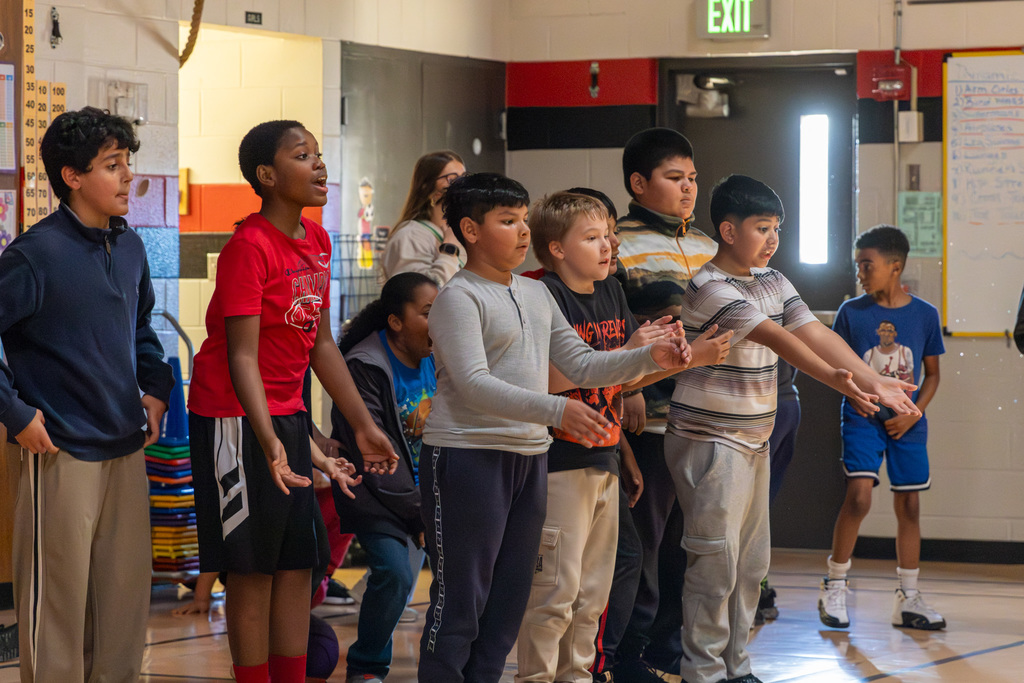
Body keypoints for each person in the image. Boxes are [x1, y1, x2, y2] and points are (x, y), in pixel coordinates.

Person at [417, 172, 693, 683]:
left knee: (509, 601)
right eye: (507, 221)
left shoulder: (534, 294)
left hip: (529, 458)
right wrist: (558, 411)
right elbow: (474, 384)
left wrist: (645, 356)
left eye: (524, 220)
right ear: (470, 231)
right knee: (462, 601)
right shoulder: (459, 297)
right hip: (468, 458)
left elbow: (585, 364)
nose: (523, 232)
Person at [666, 175, 920, 683]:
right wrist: (840, 382)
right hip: (710, 441)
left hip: (752, 441)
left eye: (777, 228)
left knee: (750, 566)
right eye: (762, 228)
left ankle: (735, 669)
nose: (773, 238)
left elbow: (813, 331)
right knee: (716, 563)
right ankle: (702, 672)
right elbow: (776, 337)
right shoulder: (708, 286)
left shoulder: (773, 280)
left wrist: (877, 381)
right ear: (728, 230)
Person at [186, 119, 397, 683]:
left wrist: (362, 423)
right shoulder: (248, 247)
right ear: (268, 176)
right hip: (235, 422)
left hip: (286, 418)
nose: (320, 165)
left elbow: (321, 345)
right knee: (252, 572)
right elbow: (241, 358)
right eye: (303, 156)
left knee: (297, 564)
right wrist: (270, 442)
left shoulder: (320, 242)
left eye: (319, 154)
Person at [515, 191, 730, 683]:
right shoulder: (542, 295)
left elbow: (624, 379)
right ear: (556, 250)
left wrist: (684, 358)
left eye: (608, 235)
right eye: (591, 238)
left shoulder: (611, 291)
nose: (608, 246)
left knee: (592, 595)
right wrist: (634, 351)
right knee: (555, 593)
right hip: (560, 461)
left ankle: (578, 676)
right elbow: (546, 379)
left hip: (604, 455)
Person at [0, 106, 174, 683]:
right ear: (72, 177)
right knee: (57, 614)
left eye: (127, 163)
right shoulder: (33, 255)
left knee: (123, 608)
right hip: (59, 452)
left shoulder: (130, 248)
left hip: (126, 446)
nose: (127, 177)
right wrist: (15, 412)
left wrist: (155, 385)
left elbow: (142, 327)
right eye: (111, 165)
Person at [612, 127, 720, 680]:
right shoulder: (616, 243)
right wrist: (628, 388)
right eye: (674, 178)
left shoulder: (708, 246)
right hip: (649, 418)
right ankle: (628, 649)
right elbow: (613, 328)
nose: (688, 189)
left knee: (688, 540)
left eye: (693, 178)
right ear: (638, 182)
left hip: (705, 418)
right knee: (644, 543)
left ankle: (670, 644)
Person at [819, 225, 946, 632]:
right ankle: (835, 584)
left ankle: (908, 597)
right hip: (862, 415)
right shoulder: (851, 313)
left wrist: (915, 412)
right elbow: (837, 368)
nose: (861, 272)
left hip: (907, 420)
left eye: (867, 264)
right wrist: (858, 396)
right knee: (858, 497)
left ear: (895, 267)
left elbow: (932, 376)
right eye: (858, 264)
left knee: (909, 505)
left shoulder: (925, 314)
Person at [330, 271, 440, 683]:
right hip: (378, 496)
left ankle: (446, 665)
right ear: (396, 321)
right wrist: (420, 514)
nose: (438, 322)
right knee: (395, 573)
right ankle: (366, 667)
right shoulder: (365, 365)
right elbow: (372, 460)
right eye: (428, 312)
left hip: (428, 497)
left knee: (453, 579)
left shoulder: (440, 355)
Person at [380, 150, 466, 285]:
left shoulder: (461, 234)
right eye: (452, 179)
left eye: (464, 178)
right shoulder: (410, 236)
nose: (463, 185)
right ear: (427, 188)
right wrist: (450, 248)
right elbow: (420, 298)